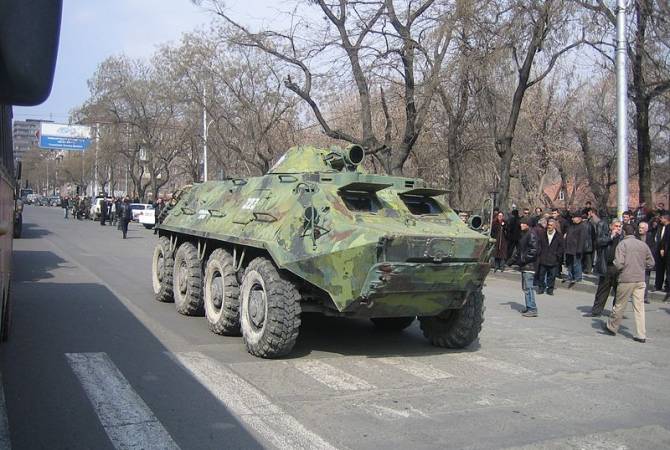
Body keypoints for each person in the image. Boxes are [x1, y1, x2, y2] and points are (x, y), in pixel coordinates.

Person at [602, 223, 655, 343]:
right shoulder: (643, 245)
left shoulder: (623, 244)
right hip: (640, 279)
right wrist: (641, 267)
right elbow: (651, 263)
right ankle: (641, 334)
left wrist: (619, 268)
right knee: (639, 308)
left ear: (624, 232)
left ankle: (612, 327)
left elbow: (619, 263)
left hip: (626, 279)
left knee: (620, 305)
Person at [590, 220, 623, 317]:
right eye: (616, 226)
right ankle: (596, 310)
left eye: (620, 226)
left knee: (619, 292)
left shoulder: (622, 238)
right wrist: (611, 237)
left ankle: (615, 312)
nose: (618, 228)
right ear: (611, 226)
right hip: (607, 266)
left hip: (618, 268)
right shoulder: (606, 235)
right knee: (602, 290)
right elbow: (599, 242)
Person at [508, 217, 539, 317]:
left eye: (523, 223)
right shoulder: (525, 234)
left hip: (530, 266)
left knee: (528, 288)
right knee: (526, 288)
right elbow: (519, 251)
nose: (520, 225)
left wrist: (523, 260)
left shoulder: (532, 234)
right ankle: (529, 307)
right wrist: (510, 262)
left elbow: (534, 251)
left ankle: (532, 308)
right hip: (525, 265)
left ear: (527, 224)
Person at [536, 218, 564, 295]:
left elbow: (561, 247)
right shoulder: (542, 233)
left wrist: (557, 255)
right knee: (541, 275)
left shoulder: (559, 235)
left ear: (554, 226)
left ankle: (550, 289)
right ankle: (541, 288)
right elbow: (538, 244)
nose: (549, 226)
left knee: (552, 276)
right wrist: (539, 253)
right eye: (548, 225)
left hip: (553, 259)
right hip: (543, 258)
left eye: (551, 225)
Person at [564, 213, 587, 286]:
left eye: (574, 217)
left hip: (576, 248)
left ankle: (578, 277)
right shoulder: (571, 226)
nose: (572, 219)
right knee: (570, 263)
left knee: (576, 263)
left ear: (579, 218)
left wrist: (579, 249)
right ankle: (570, 276)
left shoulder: (582, 227)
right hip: (569, 248)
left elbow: (582, 239)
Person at [653, 212, 670, 300]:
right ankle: (658, 285)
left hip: (666, 251)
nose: (660, 219)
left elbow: (666, 240)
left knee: (668, 269)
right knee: (659, 269)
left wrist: (663, 248)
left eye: (662, 218)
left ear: (666, 218)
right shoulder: (659, 226)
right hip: (659, 250)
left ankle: (667, 287)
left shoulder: (668, 227)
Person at [637, 221, 654, 303]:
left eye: (642, 228)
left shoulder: (650, 237)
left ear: (646, 229)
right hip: (637, 262)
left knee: (646, 280)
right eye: (639, 227)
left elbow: (652, 249)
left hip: (645, 261)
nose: (640, 229)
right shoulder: (636, 237)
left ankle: (645, 297)